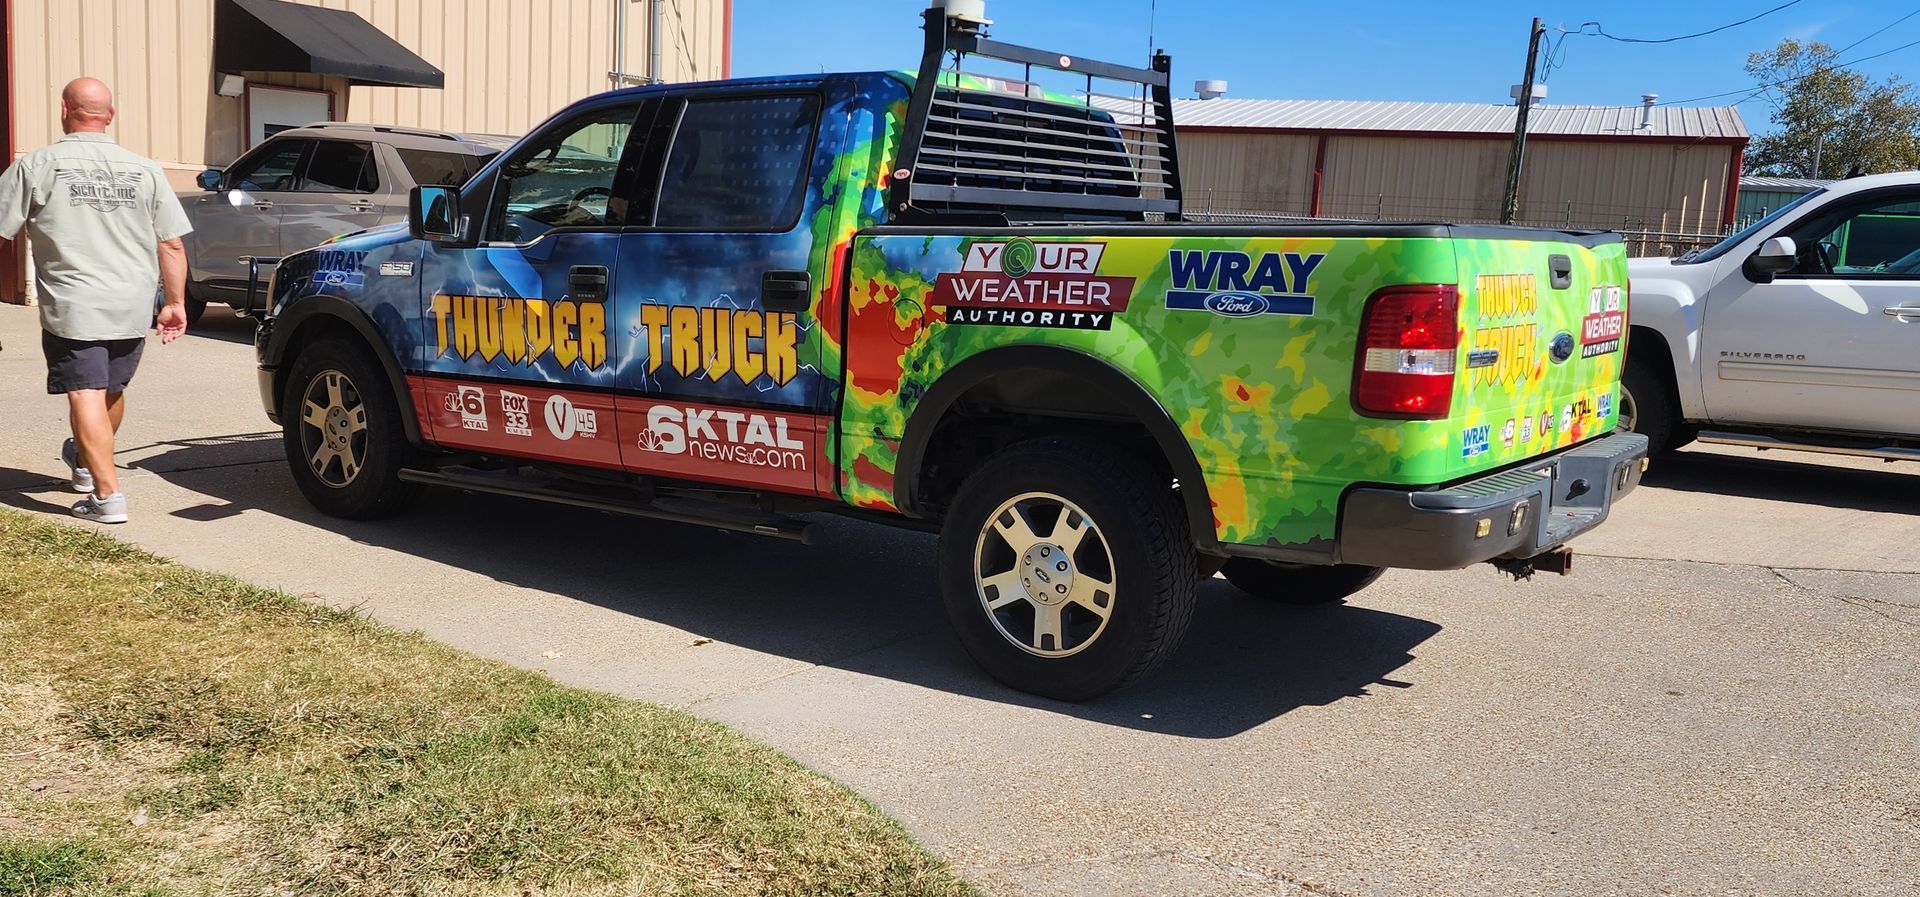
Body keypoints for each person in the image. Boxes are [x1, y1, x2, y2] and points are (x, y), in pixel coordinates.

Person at [0, 77, 192, 523]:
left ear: (64, 108)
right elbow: (172, 244)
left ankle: (107, 498)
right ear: (110, 115)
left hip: (75, 303)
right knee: (110, 389)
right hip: (130, 302)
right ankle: (86, 464)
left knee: (85, 392)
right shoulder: (145, 169)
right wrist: (174, 301)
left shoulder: (38, 165)